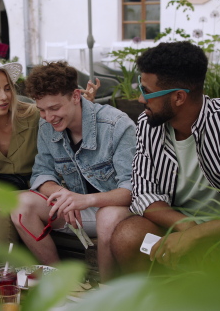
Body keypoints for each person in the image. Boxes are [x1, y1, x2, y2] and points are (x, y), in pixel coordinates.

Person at [110, 41, 220, 272]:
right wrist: (186, 227)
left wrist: (199, 234)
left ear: (179, 97)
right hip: (177, 228)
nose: (140, 99)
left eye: (147, 92)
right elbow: (143, 193)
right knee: (129, 235)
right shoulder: (149, 125)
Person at [10, 61, 136, 282]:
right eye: (42, 110)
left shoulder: (117, 125)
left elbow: (133, 190)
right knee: (19, 205)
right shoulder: (47, 126)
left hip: (119, 211)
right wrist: (63, 195)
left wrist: (84, 200)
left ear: (76, 96)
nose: (48, 117)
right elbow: (41, 173)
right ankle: (59, 283)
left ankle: (105, 293)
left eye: (54, 108)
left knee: (106, 216)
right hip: (79, 212)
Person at [0, 55, 100, 246]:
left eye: (7, 88)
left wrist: (80, 105)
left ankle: (9, 270)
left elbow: (66, 126)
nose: (4, 96)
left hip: (35, 187)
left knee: (1, 208)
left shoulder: (33, 116)